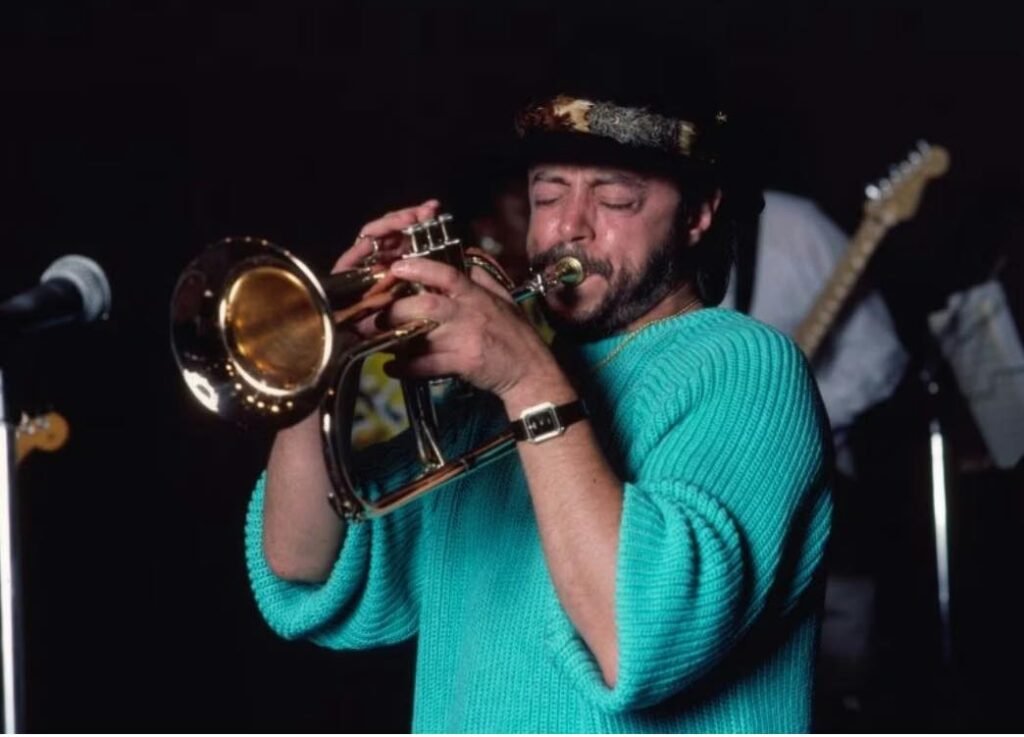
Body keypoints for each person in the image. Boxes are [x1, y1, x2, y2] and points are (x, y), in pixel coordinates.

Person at [244, 66, 833, 732]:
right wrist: (316, 356)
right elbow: (302, 561)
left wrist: (527, 379)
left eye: (615, 198)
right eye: (548, 194)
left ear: (697, 214)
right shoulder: (489, 399)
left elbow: (640, 637)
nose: (569, 227)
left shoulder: (746, 364)